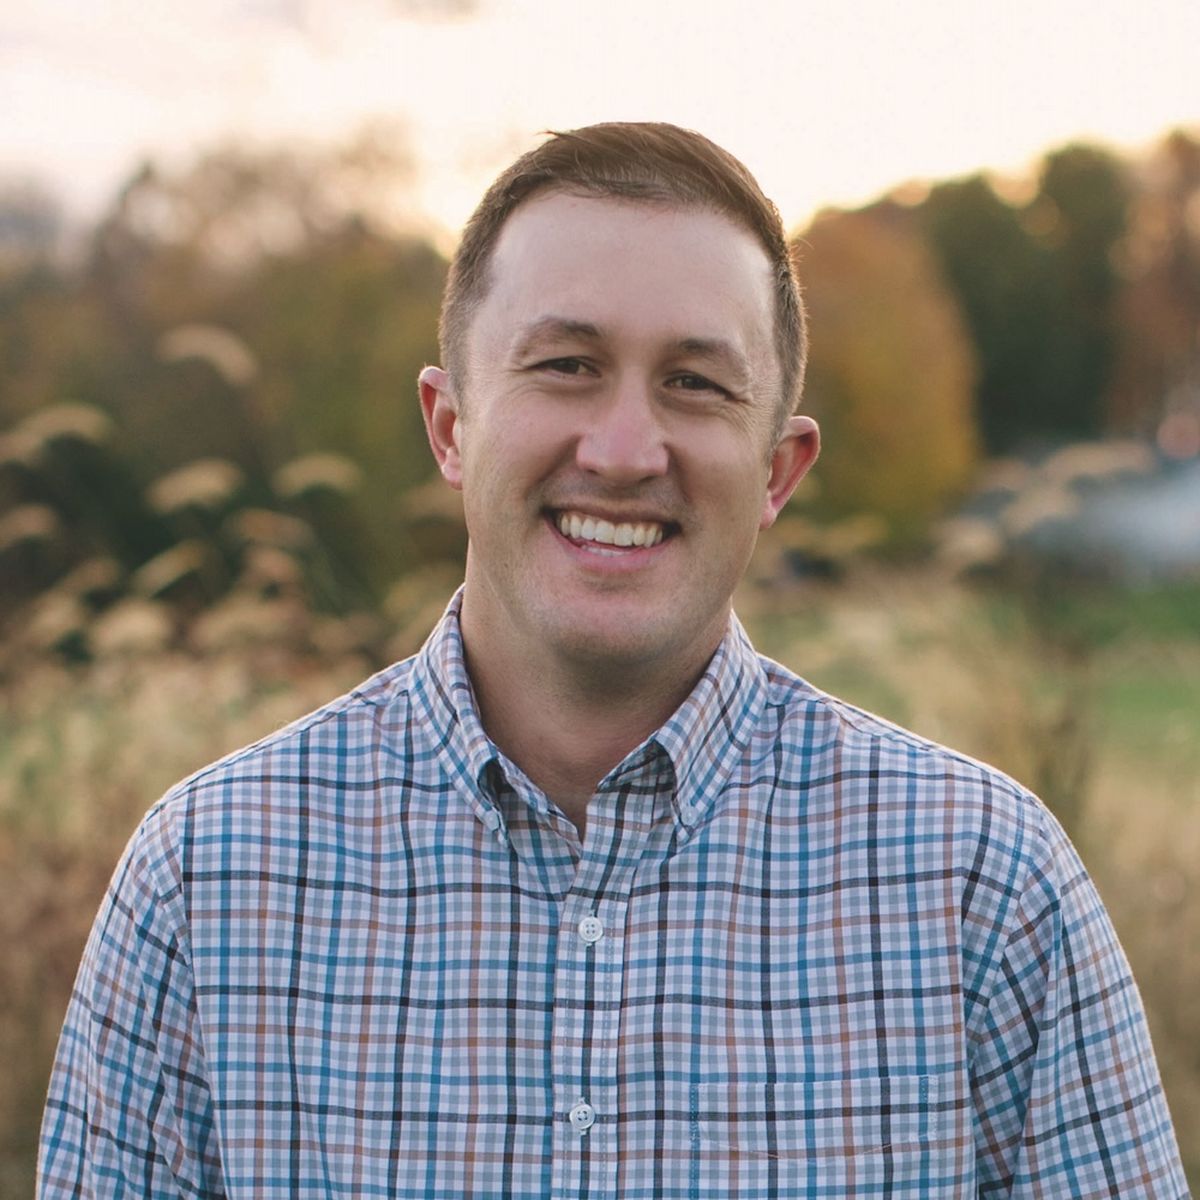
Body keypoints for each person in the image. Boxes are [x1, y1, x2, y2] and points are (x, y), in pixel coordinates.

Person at [39, 122, 1187, 1199]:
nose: (627, 451)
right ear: (450, 427)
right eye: (566, 365)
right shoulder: (209, 880)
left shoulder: (984, 885)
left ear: (778, 471)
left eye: (695, 383)